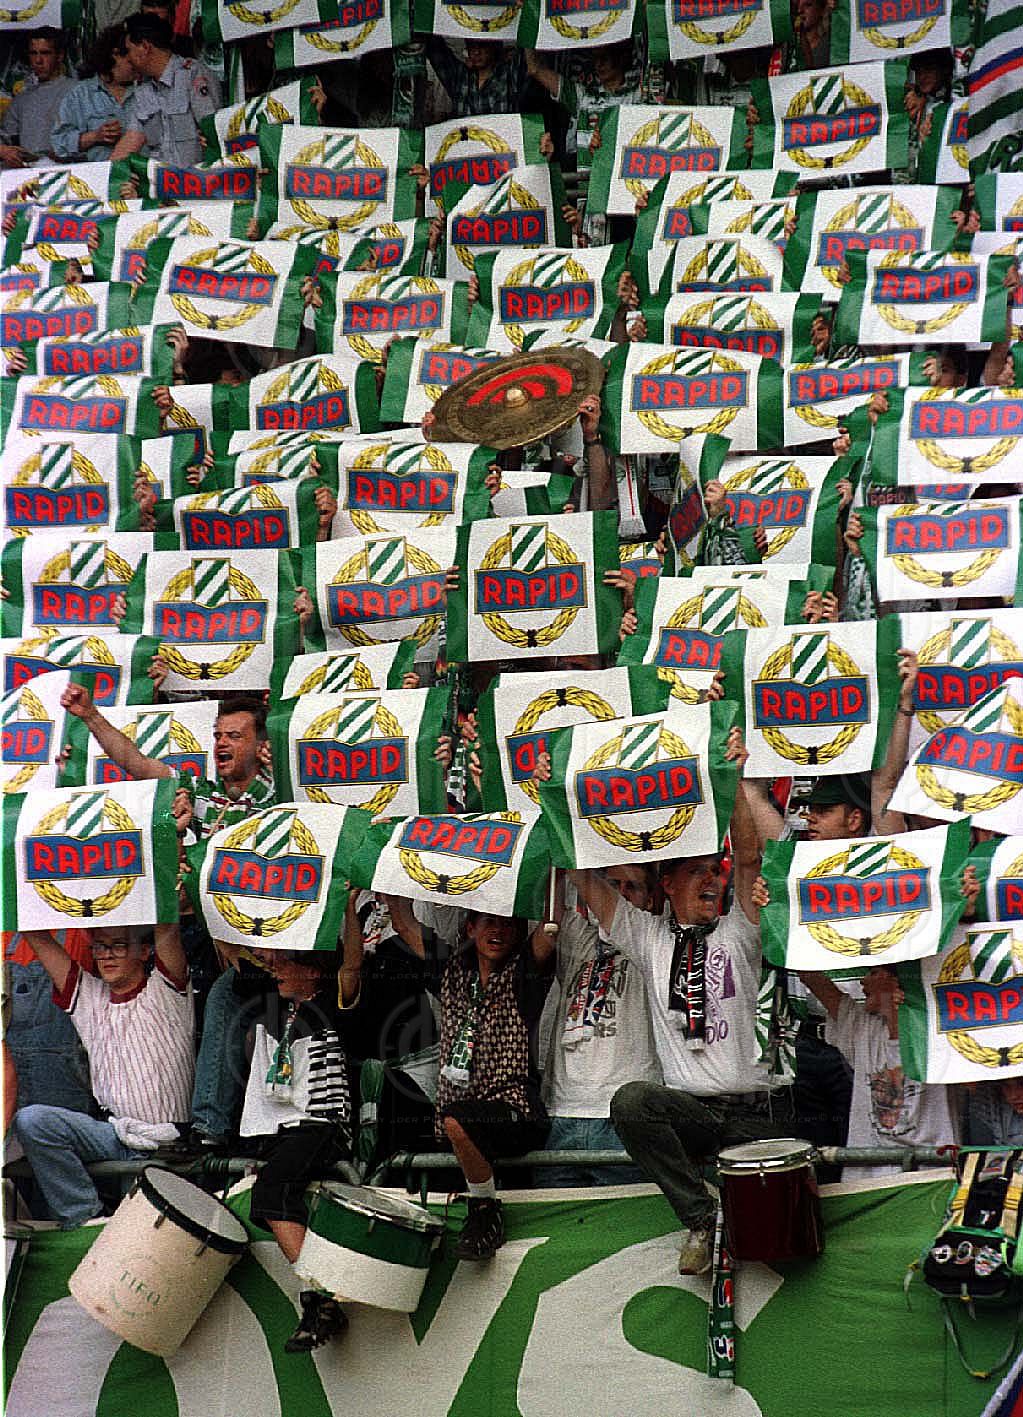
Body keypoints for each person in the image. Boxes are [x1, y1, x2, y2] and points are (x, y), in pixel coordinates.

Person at [568, 746, 794, 1276]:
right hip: (692, 1117)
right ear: (666, 884)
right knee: (631, 1102)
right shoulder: (646, 936)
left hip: (757, 1115)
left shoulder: (739, 929)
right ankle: (701, 1217)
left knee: (778, 1255)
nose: (711, 881)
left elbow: (748, 858)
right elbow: (581, 873)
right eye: (696, 872)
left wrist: (733, 780)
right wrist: (556, 791)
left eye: (713, 872)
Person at [13, 921, 193, 1228]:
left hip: (167, 1141)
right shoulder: (89, 996)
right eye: (100, 947)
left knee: (140, 1234)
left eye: (119, 946)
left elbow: (167, 929)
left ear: (144, 951)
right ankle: (85, 1218)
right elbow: (37, 936)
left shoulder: (166, 991)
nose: (107, 955)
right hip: (114, 1135)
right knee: (33, 1121)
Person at [237, 917, 362, 1355]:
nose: (274, 967)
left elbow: (351, 965)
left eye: (286, 961)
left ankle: (320, 1298)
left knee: (272, 1190)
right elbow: (236, 951)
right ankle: (319, 1299)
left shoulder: (333, 1005)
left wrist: (348, 906)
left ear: (313, 969)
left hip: (323, 1126)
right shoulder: (272, 1007)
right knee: (270, 1193)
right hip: (284, 1132)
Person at [432, 910, 556, 1260]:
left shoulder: (523, 971)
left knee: (456, 1120)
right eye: (489, 922)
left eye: (507, 924)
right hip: (463, 1120)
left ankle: (485, 1211)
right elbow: (404, 923)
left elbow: (549, 930)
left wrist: (558, 883)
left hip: (515, 1109)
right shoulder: (453, 971)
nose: (498, 931)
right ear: (470, 927)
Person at [541, 866, 661, 1187]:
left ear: (651, 900)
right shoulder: (578, 938)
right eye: (612, 885)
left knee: (623, 1217)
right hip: (562, 1114)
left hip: (624, 1118)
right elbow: (551, 889)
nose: (620, 894)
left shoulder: (657, 943)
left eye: (632, 887)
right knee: (554, 1216)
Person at [110, 12, 220, 168]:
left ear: (145, 47)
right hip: (161, 179)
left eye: (128, 50)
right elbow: (131, 140)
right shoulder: (143, 90)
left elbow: (214, 133)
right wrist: (104, 174)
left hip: (197, 178)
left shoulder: (193, 75)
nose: (128, 59)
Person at [51, 26, 135, 162]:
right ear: (116, 55)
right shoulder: (80, 94)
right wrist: (95, 136)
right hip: (99, 172)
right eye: (131, 61)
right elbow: (59, 144)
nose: (137, 65)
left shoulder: (146, 90)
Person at [0, 29, 75, 168]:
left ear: (59, 56)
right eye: (33, 53)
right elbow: (5, 138)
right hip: (30, 174)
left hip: (73, 170)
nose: (38, 60)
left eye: (45, 53)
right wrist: (5, 151)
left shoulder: (79, 91)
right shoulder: (21, 100)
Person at [423, 38, 529, 118]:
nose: (476, 52)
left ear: (494, 46)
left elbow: (527, 47)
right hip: (466, 140)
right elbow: (435, 48)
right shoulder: (459, 76)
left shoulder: (509, 75)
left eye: (482, 46)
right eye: (471, 46)